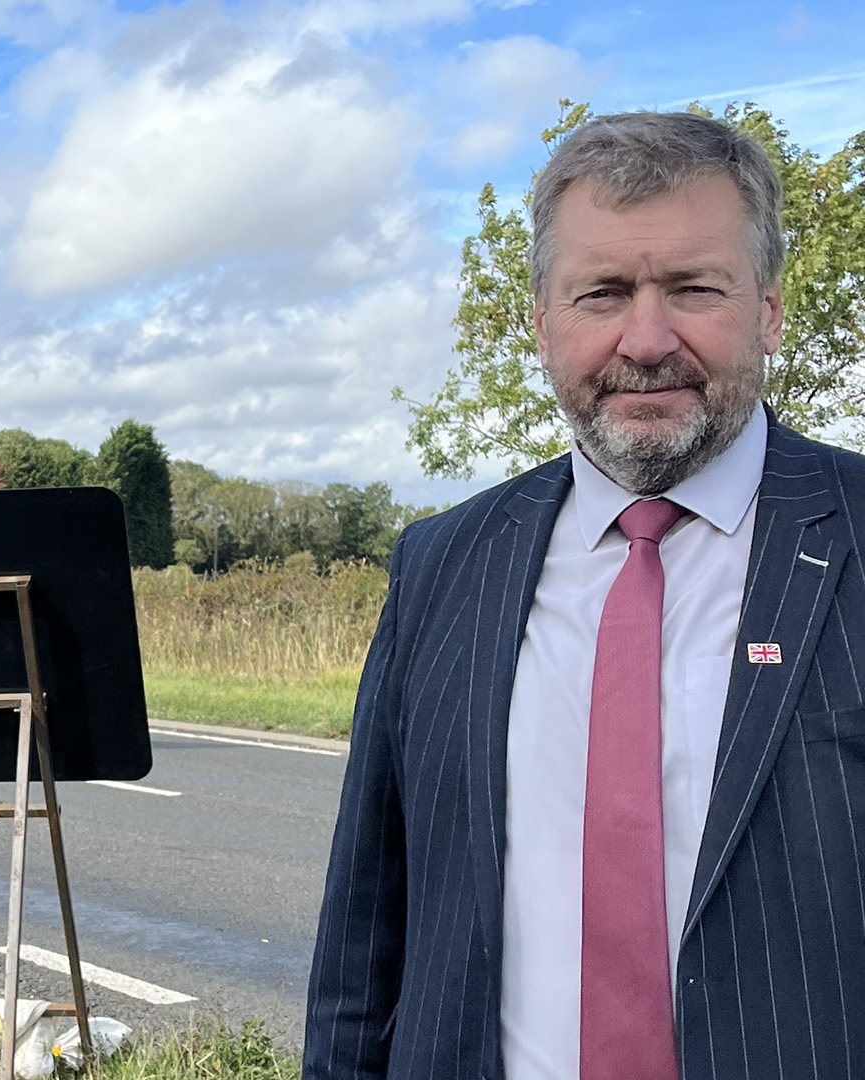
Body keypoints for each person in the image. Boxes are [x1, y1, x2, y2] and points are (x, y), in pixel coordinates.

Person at [306, 110, 865, 1079]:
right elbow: (366, 933)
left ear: (768, 309)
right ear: (542, 323)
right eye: (602, 293)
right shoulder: (440, 564)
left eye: (694, 288)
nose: (646, 340)